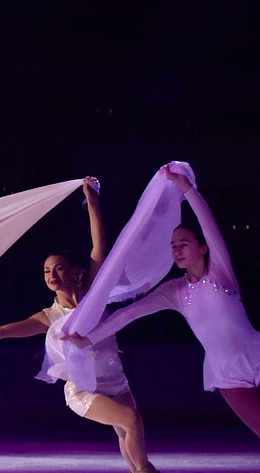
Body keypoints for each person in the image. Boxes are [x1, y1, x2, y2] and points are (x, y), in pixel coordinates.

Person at [0, 177, 182, 473]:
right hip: (83, 391)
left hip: (116, 380)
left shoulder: (96, 294)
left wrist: (93, 202)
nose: (51, 276)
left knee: (126, 431)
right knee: (131, 421)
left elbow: (99, 248)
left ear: (76, 273)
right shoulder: (49, 317)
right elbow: (0, 332)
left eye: (57, 269)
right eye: (46, 272)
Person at [73, 165, 260, 438]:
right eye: (172, 245)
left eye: (183, 243)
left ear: (203, 247)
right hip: (228, 375)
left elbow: (208, 224)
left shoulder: (221, 274)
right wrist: (88, 339)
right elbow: (129, 314)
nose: (177, 249)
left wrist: (187, 188)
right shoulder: (175, 292)